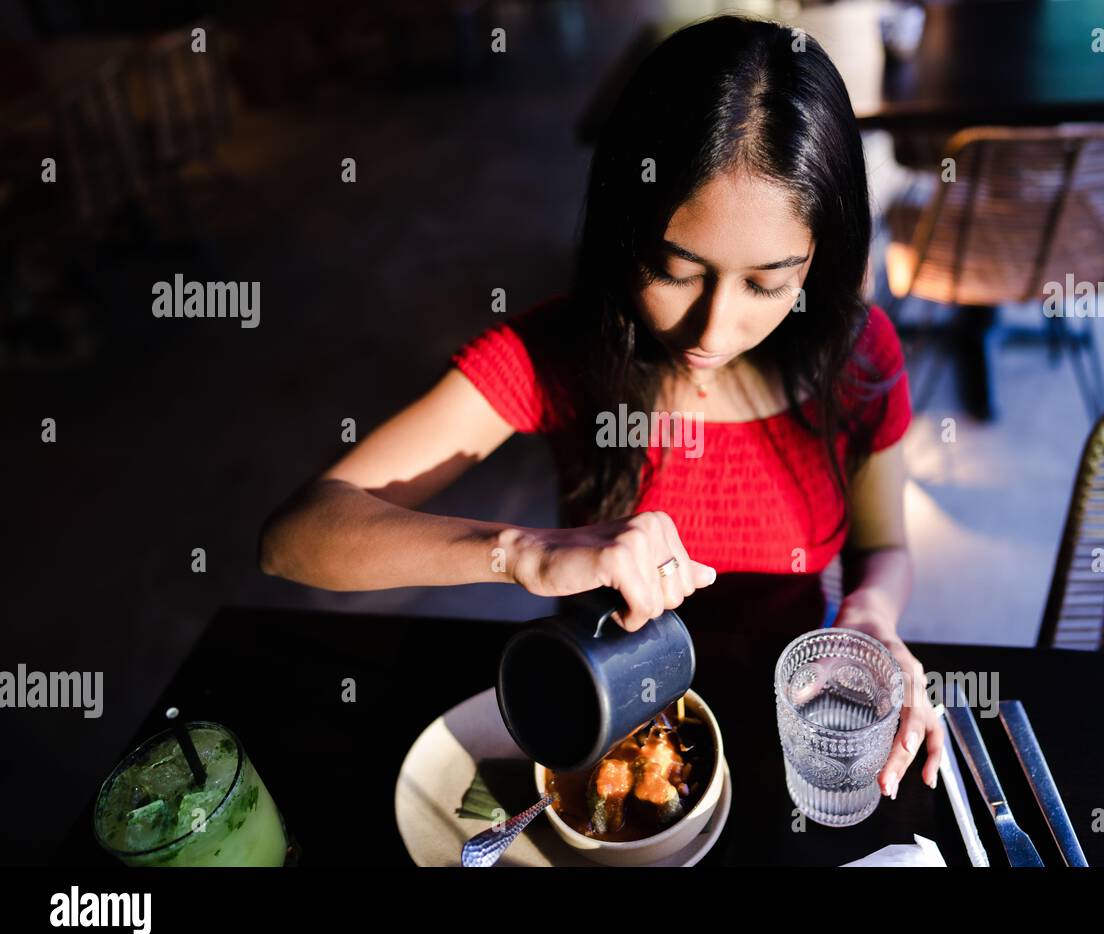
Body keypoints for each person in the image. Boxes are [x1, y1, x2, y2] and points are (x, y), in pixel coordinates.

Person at [259, 14, 941, 800]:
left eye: (767, 282)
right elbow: (295, 538)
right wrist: (522, 554)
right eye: (673, 269)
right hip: (603, 720)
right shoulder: (560, 351)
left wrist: (870, 613)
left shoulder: (857, 357)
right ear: (626, 227)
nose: (713, 329)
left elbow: (884, 547)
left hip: (783, 724)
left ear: (819, 255)